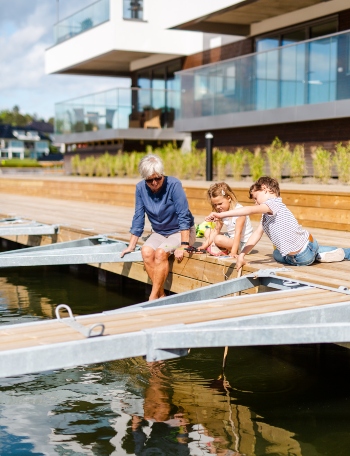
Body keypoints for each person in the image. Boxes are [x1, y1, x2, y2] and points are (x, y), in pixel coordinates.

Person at [205, 176, 350, 270]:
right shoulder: (266, 215)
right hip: (297, 257)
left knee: (294, 251)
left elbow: (248, 210)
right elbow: (256, 235)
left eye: (256, 198)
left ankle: (318, 253)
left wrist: (220, 214)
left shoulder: (274, 203)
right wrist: (242, 254)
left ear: (266, 189)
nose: (255, 202)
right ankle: (318, 255)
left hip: (304, 250)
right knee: (276, 254)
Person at [120, 154, 196, 300]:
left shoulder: (174, 185)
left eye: (158, 178)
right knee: (146, 251)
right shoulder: (140, 188)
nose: (154, 183)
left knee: (161, 253)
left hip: (181, 232)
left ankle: (153, 297)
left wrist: (184, 245)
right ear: (144, 178)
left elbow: (183, 215)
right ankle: (161, 295)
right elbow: (138, 217)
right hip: (160, 232)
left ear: (162, 175)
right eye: (150, 180)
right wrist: (131, 246)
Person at [200, 182, 253, 257]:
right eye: (215, 205)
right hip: (231, 238)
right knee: (208, 232)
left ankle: (227, 249)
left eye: (220, 204)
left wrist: (233, 253)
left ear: (229, 198)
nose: (218, 207)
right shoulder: (222, 212)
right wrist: (203, 247)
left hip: (244, 244)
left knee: (218, 239)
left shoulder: (239, 211)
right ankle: (222, 248)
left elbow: (238, 233)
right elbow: (216, 230)